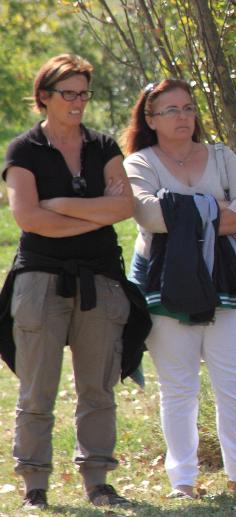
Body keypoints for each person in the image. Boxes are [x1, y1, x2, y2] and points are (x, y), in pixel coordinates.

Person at [0, 54, 148, 510]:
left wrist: (59, 203)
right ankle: (35, 487)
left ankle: (99, 482)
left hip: (100, 281)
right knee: (36, 390)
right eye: (69, 93)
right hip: (39, 281)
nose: (78, 101)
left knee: (98, 390)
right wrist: (91, 211)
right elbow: (27, 217)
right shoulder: (23, 150)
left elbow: (124, 208)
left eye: (84, 92)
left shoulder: (104, 146)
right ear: (44, 97)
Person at [121, 78, 236, 501]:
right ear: (150, 119)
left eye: (188, 108)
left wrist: (183, 213)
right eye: (171, 110)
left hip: (226, 281)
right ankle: (182, 479)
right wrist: (214, 208)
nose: (184, 117)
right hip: (166, 286)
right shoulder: (139, 164)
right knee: (179, 387)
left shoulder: (221, 156)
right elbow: (149, 216)